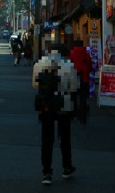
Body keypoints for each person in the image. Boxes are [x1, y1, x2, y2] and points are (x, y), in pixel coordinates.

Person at [32, 48, 78, 185]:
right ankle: (67, 167)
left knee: (47, 139)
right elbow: (74, 86)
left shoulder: (39, 65)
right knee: (64, 137)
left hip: (46, 105)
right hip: (63, 105)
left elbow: (35, 84)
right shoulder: (68, 65)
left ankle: (47, 172)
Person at [69, 40, 92, 124]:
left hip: (73, 78)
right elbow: (89, 65)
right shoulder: (86, 54)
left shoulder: (71, 54)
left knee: (73, 97)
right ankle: (83, 116)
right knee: (83, 98)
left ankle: (73, 114)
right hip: (84, 78)